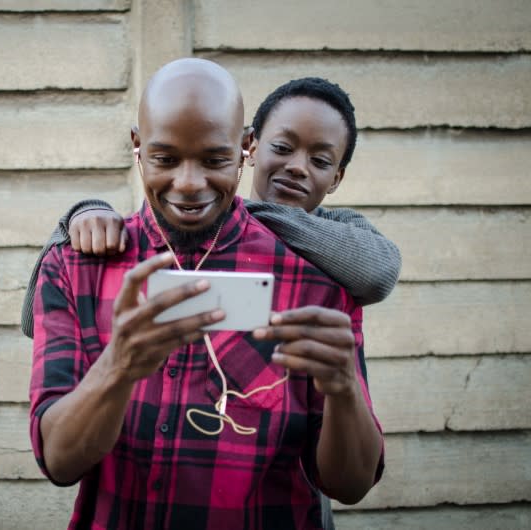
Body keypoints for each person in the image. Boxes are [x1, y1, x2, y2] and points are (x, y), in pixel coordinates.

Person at [29, 58, 383, 529]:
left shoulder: (316, 277)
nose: (190, 184)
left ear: (245, 149)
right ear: (138, 146)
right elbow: (58, 462)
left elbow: (351, 485)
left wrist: (344, 391)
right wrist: (118, 368)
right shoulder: (77, 266)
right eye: (165, 158)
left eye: (215, 160)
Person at [19, 77, 401, 342]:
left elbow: (378, 270)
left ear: (337, 178)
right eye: (282, 149)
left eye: (320, 161)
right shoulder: (192, 219)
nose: (298, 167)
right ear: (250, 149)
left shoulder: (337, 234)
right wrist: (80, 214)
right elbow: (34, 320)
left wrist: (247, 212)